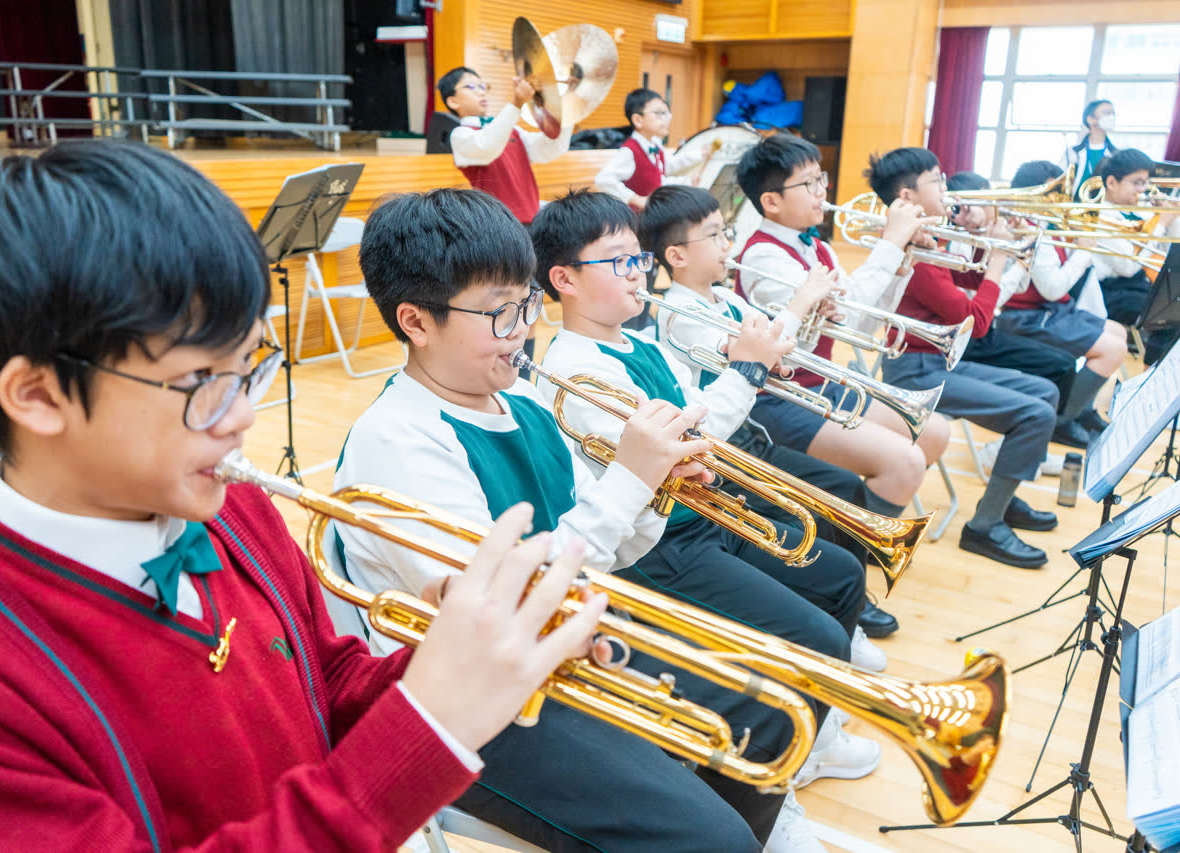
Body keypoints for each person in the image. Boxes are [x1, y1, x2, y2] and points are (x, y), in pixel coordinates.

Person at [0, 140, 610, 852]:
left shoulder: (229, 506)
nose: (243, 415)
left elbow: (326, 681)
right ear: (39, 395)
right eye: (202, 381)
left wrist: (466, 654)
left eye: (250, 367)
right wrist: (429, 723)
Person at [337, 185, 817, 852]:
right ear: (416, 322)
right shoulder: (396, 439)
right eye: (499, 313)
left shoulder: (526, 401)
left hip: (566, 642)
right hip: (475, 708)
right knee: (713, 838)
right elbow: (500, 613)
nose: (523, 329)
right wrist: (629, 480)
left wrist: (656, 489)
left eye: (526, 303)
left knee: (774, 711)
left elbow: (613, 550)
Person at [534, 188, 883, 853]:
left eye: (637, 257)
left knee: (837, 576)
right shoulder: (571, 369)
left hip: (697, 519)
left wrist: (748, 369)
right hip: (656, 552)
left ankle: (806, 740)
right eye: (617, 260)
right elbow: (689, 436)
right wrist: (745, 369)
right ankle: (773, 791)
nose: (636, 271)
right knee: (813, 635)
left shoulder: (641, 343)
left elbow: (698, 418)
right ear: (565, 280)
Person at [638, 183, 900, 647]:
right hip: (720, 452)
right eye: (714, 236)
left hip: (750, 433)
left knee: (845, 487)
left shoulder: (728, 299)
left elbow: (777, 350)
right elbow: (745, 356)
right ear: (676, 256)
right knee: (807, 515)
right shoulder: (677, 311)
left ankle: (848, 604)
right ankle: (828, 610)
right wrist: (800, 302)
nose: (727, 244)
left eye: (726, 232)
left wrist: (811, 316)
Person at [732, 133, 951, 526]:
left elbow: (860, 326)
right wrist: (890, 242)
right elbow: (836, 321)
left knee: (934, 433)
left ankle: (850, 523)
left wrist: (901, 262)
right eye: (808, 184)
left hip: (823, 384)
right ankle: (853, 544)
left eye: (821, 178)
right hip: (779, 398)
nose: (822, 191)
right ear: (772, 202)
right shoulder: (762, 256)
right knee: (904, 463)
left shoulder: (820, 249)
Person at [867, 147, 1061, 569]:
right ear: (907, 195)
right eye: (936, 180)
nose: (946, 187)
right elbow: (977, 321)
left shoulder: (927, 238)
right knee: (1035, 414)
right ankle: (984, 527)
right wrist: (999, 260)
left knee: (1045, 391)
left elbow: (963, 277)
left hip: (938, 361)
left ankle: (1001, 500)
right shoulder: (913, 254)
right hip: (916, 372)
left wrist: (994, 240)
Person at [438, 64, 573, 370]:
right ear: (452, 101)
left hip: (530, 228)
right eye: (471, 87)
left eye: (483, 85)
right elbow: (487, 147)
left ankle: (522, 377)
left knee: (529, 308)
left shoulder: (511, 129)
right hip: (499, 232)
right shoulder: (462, 135)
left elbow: (551, 148)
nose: (481, 92)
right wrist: (515, 104)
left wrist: (564, 111)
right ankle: (505, 373)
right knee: (511, 307)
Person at [943, 170, 1085, 448]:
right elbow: (985, 304)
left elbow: (1018, 288)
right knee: (1059, 367)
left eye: (975, 205)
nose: (968, 216)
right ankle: (1024, 441)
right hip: (965, 336)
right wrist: (1016, 259)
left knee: (1063, 365)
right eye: (960, 209)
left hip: (985, 329)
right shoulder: (959, 241)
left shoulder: (1003, 229)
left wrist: (1019, 248)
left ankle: (1035, 439)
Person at [994, 160, 1129, 435]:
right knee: (1113, 350)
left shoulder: (1044, 224)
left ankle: (1082, 411)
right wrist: (1083, 251)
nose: (1060, 200)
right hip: (1025, 318)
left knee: (1118, 332)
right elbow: (1053, 289)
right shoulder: (1029, 229)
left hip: (1047, 310)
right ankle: (1060, 422)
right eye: (1054, 193)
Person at [1088, 148, 1180, 364]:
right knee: (1168, 316)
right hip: (1110, 292)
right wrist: (1160, 224)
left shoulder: (1139, 210)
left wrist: (1172, 218)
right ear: (1112, 183)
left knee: (1173, 308)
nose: (1142, 190)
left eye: (1145, 183)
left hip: (1141, 285)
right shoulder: (1099, 215)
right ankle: (1152, 374)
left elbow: (1169, 250)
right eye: (1137, 183)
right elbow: (1128, 267)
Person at [594, 87, 710, 211]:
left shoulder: (655, 145)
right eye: (659, 113)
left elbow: (660, 178)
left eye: (667, 114)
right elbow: (603, 179)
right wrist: (637, 199)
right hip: (638, 219)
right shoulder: (630, 151)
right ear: (638, 120)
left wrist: (687, 181)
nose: (666, 119)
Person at [1060, 99, 1118, 196]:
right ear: (1091, 119)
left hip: (1104, 204)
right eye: (1107, 113)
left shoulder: (1116, 154)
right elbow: (1061, 180)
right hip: (1074, 203)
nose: (1111, 117)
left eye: (1113, 113)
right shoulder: (1073, 152)